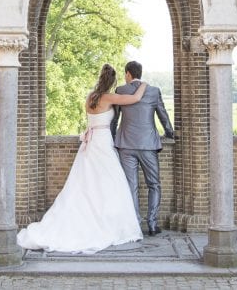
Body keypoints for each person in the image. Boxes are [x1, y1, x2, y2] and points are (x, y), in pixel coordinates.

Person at [17, 64, 149, 254]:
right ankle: (106, 223)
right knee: (109, 182)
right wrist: (143, 84)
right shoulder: (108, 97)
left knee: (84, 182)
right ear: (112, 82)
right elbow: (135, 98)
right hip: (102, 141)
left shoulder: (90, 97)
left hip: (90, 142)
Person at [111, 60, 174, 236]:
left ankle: (135, 224)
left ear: (128, 74)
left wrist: (111, 136)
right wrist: (169, 132)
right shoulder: (153, 91)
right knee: (154, 184)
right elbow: (163, 115)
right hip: (148, 145)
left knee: (131, 185)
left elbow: (115, 119)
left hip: (125, 144)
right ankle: (152, 224)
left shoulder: (120, 90)